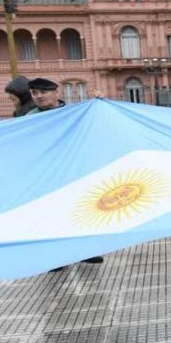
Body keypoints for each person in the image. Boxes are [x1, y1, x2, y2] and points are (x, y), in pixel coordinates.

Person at [25, 77, 104, 268]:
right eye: (35, 93)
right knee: (49, 214)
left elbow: (95, 123)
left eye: (43, 92)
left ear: (56, 93)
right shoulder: (29, 118)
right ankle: (55, 257)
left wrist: (99, 103)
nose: (39, 96)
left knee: (79, 210)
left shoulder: (73, 112)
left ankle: (85, 251)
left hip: (73, 170)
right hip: (46, 174)